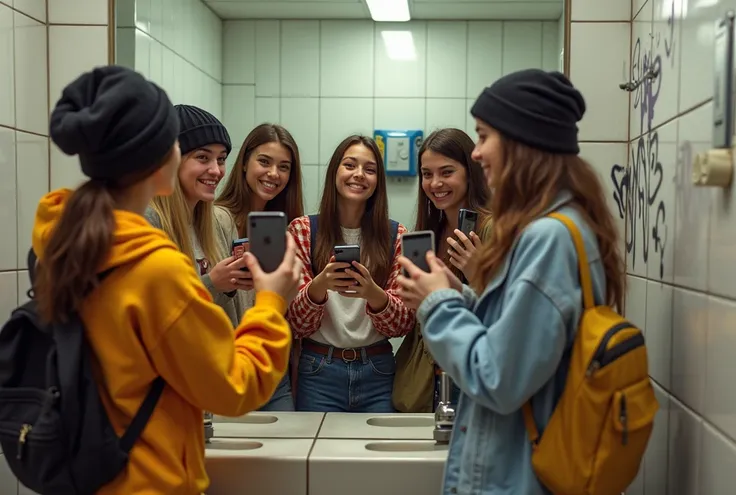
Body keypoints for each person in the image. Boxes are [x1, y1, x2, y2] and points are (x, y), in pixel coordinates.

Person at [33, 65, 301, 494]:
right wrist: (271, 301)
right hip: (147, 478)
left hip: (90, 469)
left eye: (221, 158)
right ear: (161, 158)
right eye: (195, 154)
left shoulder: (67, 236)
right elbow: (235, 386)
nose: (214, 168)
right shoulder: (154, 268)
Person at [396, 69, 625, 494]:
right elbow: (518, 338)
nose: (477, 154)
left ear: (524, 143)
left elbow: (498, 378)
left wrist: (440, 303)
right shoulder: (561, 226)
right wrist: (460, 293)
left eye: (484, 137)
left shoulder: (549, 237)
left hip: (517, 474)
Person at [287, 135, 415, 412]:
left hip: (378, 369)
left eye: (369, 170)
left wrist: (373, 294)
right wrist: (319, 286)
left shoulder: (396, 236)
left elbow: (403, 324)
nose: (359, 175)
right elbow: (296, 323)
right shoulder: (303, 231)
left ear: (378, 181)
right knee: (317, 454)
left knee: (379, 455)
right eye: (350, 165)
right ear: (335, 171)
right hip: (319, 369)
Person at [393, 128, 492, 413]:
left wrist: (475, 273)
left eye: (446, 172)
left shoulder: (491, 229)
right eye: (427, 174)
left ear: (470, 173)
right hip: (424, 377)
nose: (435, 183)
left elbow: (507, 313)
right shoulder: (428, 233)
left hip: (470, 372)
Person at [215, 123, 304, 411]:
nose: (274, 174)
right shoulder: (217, 219)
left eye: (284, 167)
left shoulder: (288, 228)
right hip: (230, 364)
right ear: (244, 164)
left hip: (274, 365)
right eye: (264, 162)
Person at [145, 105, 250, 327]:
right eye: (203, 157)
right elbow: (151, 315)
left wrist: (230, 282)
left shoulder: (213, 222)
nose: (216, 170)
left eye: (221, 159)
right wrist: (213, 283)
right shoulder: (148, 224)